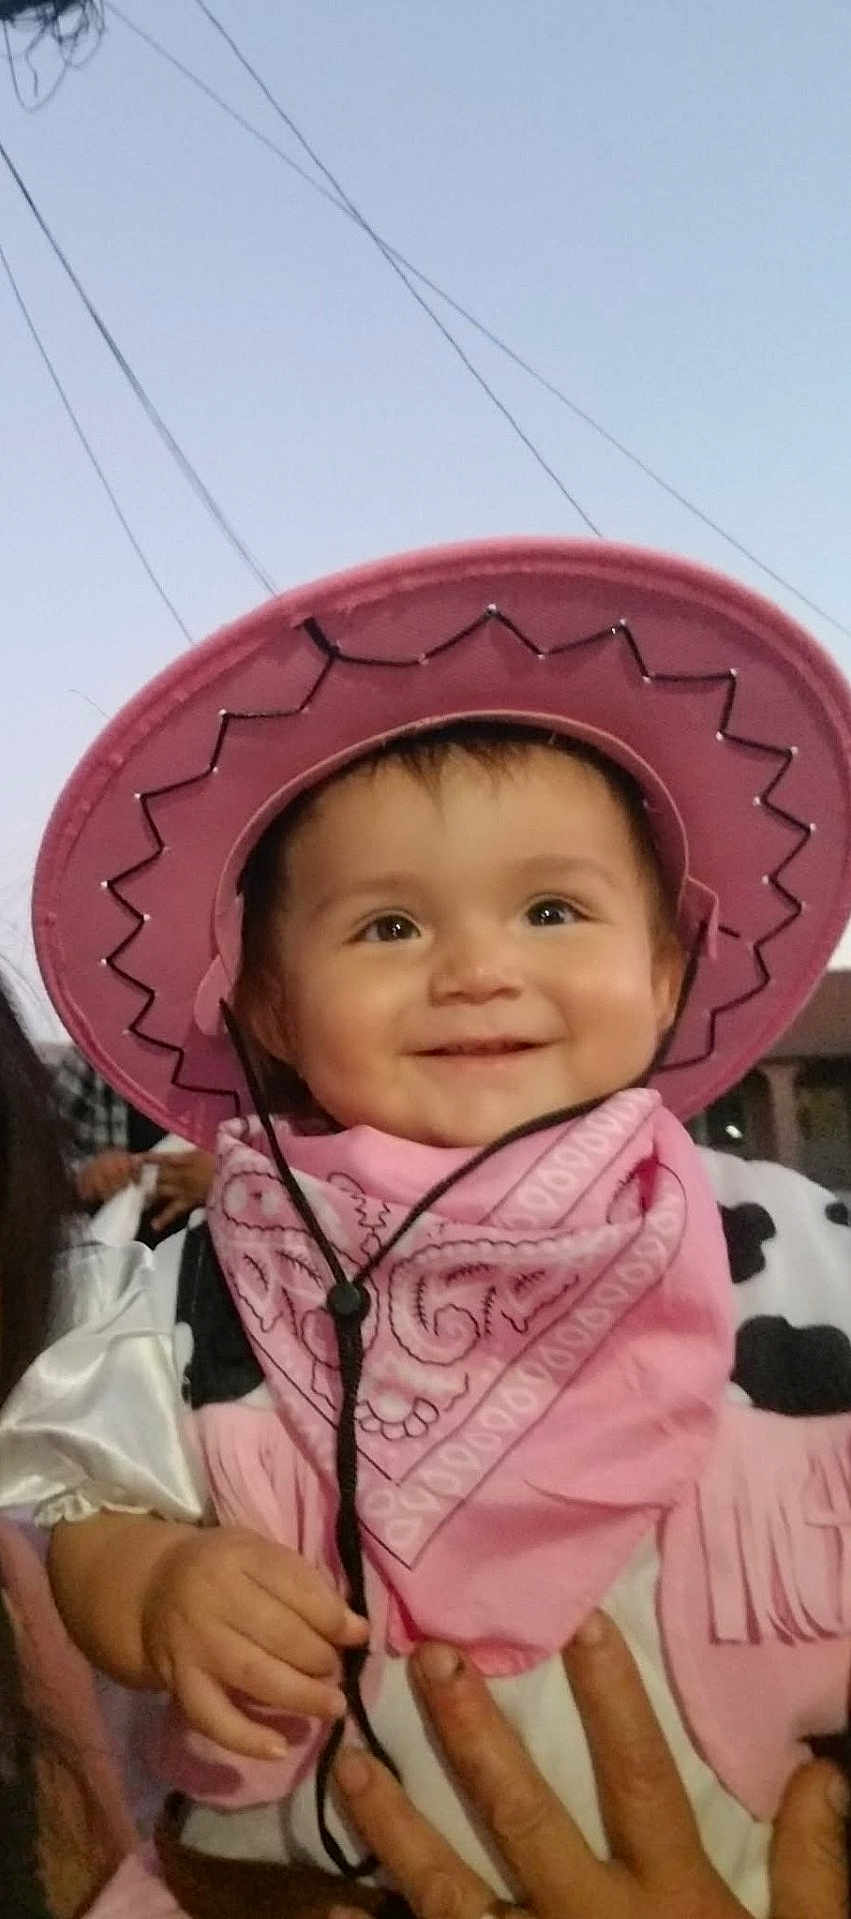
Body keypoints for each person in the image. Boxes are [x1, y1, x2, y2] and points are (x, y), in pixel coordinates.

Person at [3, 538, 851, 1918]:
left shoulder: (795, 1245)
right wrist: (158, 1583)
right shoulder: (213, 1277)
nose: (476, 966)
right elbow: (93, 1499)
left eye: (551, 908)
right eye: (388, 924)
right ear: (266, 1008)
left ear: (663, 965)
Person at [52, 1044, 214, 1241]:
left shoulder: (241, 1066)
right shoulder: (91, 1058)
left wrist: (227, 1174)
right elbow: (35, 1166)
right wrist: (87, 1177)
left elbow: (259, 1158)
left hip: (211, 1249)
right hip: (105, 1248)